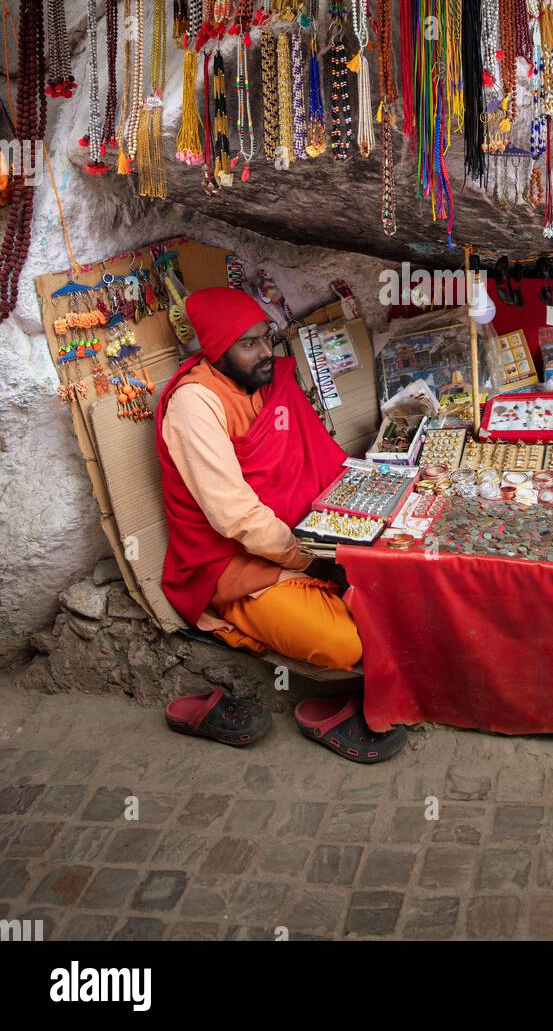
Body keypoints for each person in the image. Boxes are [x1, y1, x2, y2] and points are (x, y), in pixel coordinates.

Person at [156, 286, 406, 762]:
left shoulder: (266, 383)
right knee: (347, 642)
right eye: (248, 344)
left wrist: (337, 537)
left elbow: (313, 465)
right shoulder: (194, 405)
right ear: (215, 350)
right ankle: (238, 626)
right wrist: (310, 559)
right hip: (238, 569)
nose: (266, 352)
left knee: (402, 589)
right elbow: (235, 516)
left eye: (265, 338)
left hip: (304, 542)